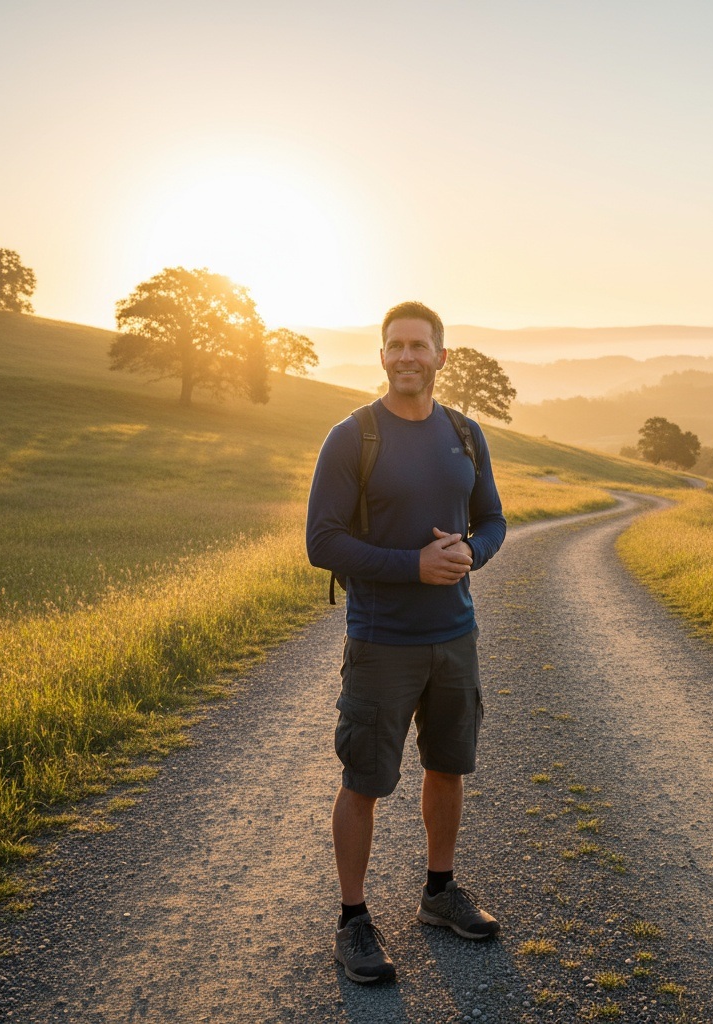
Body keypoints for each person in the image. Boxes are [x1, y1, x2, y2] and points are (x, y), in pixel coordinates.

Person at [306, 301, 506, 984]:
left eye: (420, 346)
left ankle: (439, 893)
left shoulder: (466, 433)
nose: (407, 357)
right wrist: (411, 566)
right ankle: (352, 922)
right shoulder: (352, 437)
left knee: (447, 766)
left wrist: (472, 553)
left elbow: (493, 519)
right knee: (364, 779)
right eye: (396, 346)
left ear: (441, 357)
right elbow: (322, 541)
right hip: (381, 640)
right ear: (383, 356)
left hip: (455, 636)